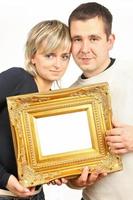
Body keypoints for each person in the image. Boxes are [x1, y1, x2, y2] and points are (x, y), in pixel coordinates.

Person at [66, 2, 133, 200]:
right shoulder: (65, 99)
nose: (85, 49)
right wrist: (75, 181)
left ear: (110, 40)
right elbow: (69, 173)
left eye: (94, 38)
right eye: (77, 39)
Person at [0, 19, 71, 199]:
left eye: (64, 56)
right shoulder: (17, 79)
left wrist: (57, 171)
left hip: (36, 195)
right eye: (49, 55)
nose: (58, 64)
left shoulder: (56, 103)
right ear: (33, 56)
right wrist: (4, 178)